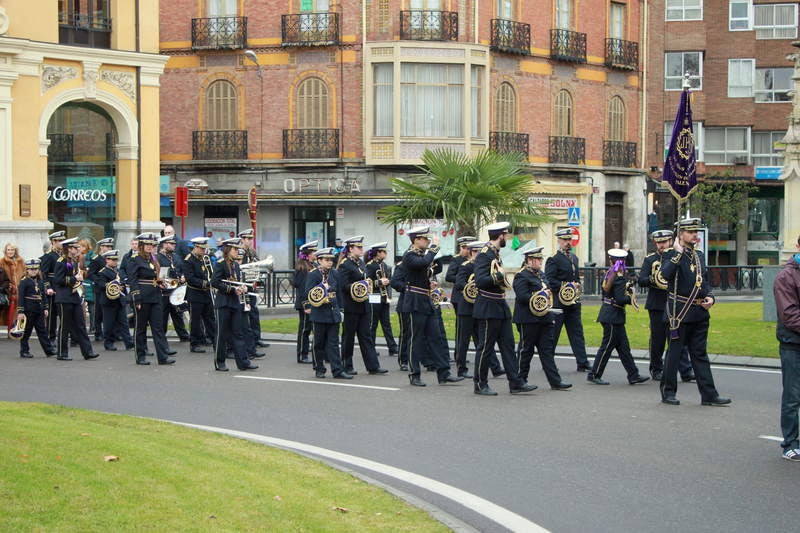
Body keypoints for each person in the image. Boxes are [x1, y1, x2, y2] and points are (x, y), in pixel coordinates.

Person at [658, 218, 730, 406]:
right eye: (690, 232)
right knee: (674, 354)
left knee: (700, 354)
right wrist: (678, 254)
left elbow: (703, 281)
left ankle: (709, 395)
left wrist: (711, 296)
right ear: (680, 235)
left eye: (695, 231)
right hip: (678, 313)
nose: (695, 235)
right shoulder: (670, 254)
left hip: (699, 312)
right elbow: (665, 275)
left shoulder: (699, 255)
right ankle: (668, 392)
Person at [472, 222, 534, 396]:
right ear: (500, 236)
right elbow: (480, 281)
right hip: (487, 306)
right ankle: (480, 384)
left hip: (499, 305)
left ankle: (515, 383)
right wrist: (498, 275)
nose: (507, 238)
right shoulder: (484, 254)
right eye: (505, 235)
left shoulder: (494, 253)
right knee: (485, 347)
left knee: (507, 346)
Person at [399, 226, 463, 387]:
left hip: (426, 300)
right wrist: (433, 248)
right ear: (416, 240)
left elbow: (436, 266)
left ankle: (444, 373)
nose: (427, 241)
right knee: (416, 339)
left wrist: (437, 252)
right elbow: (423, 263)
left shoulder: (423, 255)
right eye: (425, 238)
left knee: (437, 337)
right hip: (414, 300)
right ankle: (414, 374)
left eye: (428, 239)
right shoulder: (409, 256)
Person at [638, 230, 695, 382]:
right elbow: (641, 280)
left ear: (671, 241)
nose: (661, 245)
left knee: (678, 338)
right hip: (656, 304)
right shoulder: (650, 259)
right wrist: (654, 279)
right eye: (658, 242)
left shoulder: (677, 256)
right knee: (658, 339)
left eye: (664, 242)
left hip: (675, 304)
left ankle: (685, 370)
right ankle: (656, 369)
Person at [586, 248, 649, 386]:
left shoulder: (609, 273)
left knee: (624, 348)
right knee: (607, 347)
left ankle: (633, 375)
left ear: (611, 260)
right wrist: (631, 298)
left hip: (612, 315)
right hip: (612, 317)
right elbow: (620, 299)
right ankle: (594, 374)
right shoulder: (618, 277)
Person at [512, 247, 571, 390]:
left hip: (544, 318)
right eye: (537, 259)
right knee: (526, 351)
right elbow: (522, 296)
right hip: (528, 319)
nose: (540, 262)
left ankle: (555, 381)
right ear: (529, 260)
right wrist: (539, 296)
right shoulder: (521, 276)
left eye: (540, 259)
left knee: (547, 351)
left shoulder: (541, 275)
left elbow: (549, 291)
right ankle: (519, 381)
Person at [337, 235, 387, 375]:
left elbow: (368, 281)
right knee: (348, 337)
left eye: (361, 247)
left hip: (363, 305)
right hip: (350, 306)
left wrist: (369, 285)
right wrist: (358, 286)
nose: (361, 249)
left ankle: (373, 366)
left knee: (366, 336)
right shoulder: (345, 264)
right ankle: (347, 365)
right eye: (358, 247)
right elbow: (343, 285)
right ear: (350, 249)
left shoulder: (361, 263)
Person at [453, 241, 504, 379]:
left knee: (484, 340)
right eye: (475, 252)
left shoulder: (484, 266)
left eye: (479, 251)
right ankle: (461, 369)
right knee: (463, 340)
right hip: (467, 307)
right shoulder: (466, 266)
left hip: (480, 306)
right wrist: (471, 286)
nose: (477, 254)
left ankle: (495, 367)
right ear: (470, 252)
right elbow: (458, 283)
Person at [545, 228, 591, 371]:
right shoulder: (553, 259)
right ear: (558, 241)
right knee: (554, 333)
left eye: (569, 240)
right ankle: (548, 361)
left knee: (577, 332)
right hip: (558, 302)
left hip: (573, 303)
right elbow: (550, 281)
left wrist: (577, 286)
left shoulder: (574, 258)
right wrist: (568, 286)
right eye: (564, 240)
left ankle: (582, 362)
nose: (567, 243)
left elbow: (576, 278)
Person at [210, 237, 258, 372]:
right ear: (228, 250)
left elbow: (238, 281)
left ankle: (243, 362)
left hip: (235, 303)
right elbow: (215, 282)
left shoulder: (236, 265)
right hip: (224, 303)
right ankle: (220, 362)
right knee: (221, 334)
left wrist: (243, 288)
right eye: (235, 249)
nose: (237, 251)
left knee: (238, 333)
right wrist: (232, 289)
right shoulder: (220, 264)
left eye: (238, 249)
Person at [128, 232, 175, 366]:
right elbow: (132, 280)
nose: (150, 247)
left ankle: (163, 357)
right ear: (141, 245)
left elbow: (155, 276)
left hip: (155, 296)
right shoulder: (135, 258)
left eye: (152, 244)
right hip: (142, 297)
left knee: (158, 328)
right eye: (147, 244)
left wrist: (161, 282)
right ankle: (140, 356)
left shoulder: (153, 258)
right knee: (141, 328)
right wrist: (136, 298)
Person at [304, 247, 350, 379]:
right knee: (318, 343)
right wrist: (320, 289)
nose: (330, 262)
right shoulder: (313, 274)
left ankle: (337, 370)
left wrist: (341, 309)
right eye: (326, 260)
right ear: (319, 260)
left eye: (331, 260)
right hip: (319, 312)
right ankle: (319, 368)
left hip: (333, 312)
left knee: (334, 343)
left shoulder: (335, 273)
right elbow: (307, 293)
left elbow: (339, 293)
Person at [774, 234, 800, 461]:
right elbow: (790, 316)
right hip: (794, 344)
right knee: (793, 395)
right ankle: (790, 443)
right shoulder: (786, 276)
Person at [52, 238, 99, 361]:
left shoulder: (74, 261)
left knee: (81, 325)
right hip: (64, 297)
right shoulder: (61, 261)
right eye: (75, 248)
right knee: (64, 326)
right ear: (69, 249)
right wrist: (75, 278)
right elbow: (57, 280)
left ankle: (87, 352)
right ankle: (62, 353)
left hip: (74, 296)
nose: (78, 250)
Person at [94, 249, 134, 352]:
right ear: (107, 260)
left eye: (116, 260)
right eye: (113, 260)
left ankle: (129, 343)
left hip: (119, 300)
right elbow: (101, 285)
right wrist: (114, 284)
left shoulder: (117, 271)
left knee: (124, 323)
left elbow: (122, 284)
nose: (115, 262)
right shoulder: (102, 273)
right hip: (109, 302)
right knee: (109, 324)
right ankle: (108, 343)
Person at [15, 259, 57, 358]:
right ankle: (24, 351)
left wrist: (46, 307)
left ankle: (48, 350)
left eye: (35, 269)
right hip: (28, 310)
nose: (33, 271)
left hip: (39, 309)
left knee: (42, 331)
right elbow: (20, 297)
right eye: (31, 269)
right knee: (26, 331)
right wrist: (20, 311)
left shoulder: (40, 281)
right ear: (27, 270)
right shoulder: (24, 281)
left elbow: (43, 295)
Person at [238, 228, 268, 357]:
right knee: (246, 316)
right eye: (248, 239)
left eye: (251, 239)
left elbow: (258, 266)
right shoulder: (239, 252)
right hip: (243, 286)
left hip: (251, 285)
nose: (250, 241)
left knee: (254, 314)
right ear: (242, 239)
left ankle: (256, 338)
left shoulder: (252, 252)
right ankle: (248, 343)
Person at [446, 236, 476, 361]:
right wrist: (461, 278)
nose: (466, 250)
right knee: (461, 328)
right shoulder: (457, 260)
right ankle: (458, 354)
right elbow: (449, 276)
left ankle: (461, 355)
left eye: (468, 248)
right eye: (464, 248)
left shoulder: (473, 262)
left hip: (472, 297)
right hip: (459, 297)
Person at [365, 242, 398, 357]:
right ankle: (371, 347)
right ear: (377, 253)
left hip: (384, 297)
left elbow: (390, 279)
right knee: (373, 324)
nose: (385, 253)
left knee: (386, 324)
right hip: (374, 296)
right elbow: (366, 283)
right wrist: (378, 282)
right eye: (383, 251)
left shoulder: (384, 265)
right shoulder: (370, 265)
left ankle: (392, 347)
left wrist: (389, 281)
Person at [184, 237, 216, 352]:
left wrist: (212, 280)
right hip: (195, 294)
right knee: (195, 320)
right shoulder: (189, 260)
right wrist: (205, 283)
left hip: (206, 294)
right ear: (196, 247)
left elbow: (210, 272)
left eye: (204, 249)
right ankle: (194, 343)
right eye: (202, 249)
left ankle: (215, 341)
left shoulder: (204, 258)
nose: (204, 251)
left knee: (210, 319)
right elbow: (190, 278)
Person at [157, 235, 190, 342]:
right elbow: (162, 277)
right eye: (171, 244)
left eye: (174, 244)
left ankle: (183, 335)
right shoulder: (159, 257)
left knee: (178, 314)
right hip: (164, 292)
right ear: (164, 244)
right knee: (163, 315)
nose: (174, 246)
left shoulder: (175, 256)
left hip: (176, 291)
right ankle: (161, 337)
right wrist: (176, 281)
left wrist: (183, 276)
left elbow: (182, 268)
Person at [293, 241, 318, 364]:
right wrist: (306, 304)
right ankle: (302, 354)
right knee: (304, 329)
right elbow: (302, 288)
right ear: (308, 254)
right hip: (305, 303)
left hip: (312, 302)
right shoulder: (303, 268)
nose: (316, 254)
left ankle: (310, 352)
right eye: (314, 252)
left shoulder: (312, 266)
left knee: (311, 328)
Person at [87, 237, 114, 342]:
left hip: (110, 288)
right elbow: (90, 274)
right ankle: (98, 332)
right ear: (101, 247)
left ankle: (112, 332)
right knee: (98, 311)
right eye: (106, 246)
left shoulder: (111, 258)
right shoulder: (97, 259)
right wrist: (99, 281)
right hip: (100, 289)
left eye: (110, 246)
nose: (108, 248)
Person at [389, 256, 410, 371]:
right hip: (405, 303)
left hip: (420, 303)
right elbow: (394, 282)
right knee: (405, 333)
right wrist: (408, 288)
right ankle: (403, 360)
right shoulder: (402, 265)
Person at [1, 241, 26, 335]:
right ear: (5, 251)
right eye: (8, 250)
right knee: (9, 312)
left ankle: (19, 330)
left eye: (12, 250)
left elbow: (25, 274)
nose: (10, 251)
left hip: (21, 290)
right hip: (9, 291)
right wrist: (8, 286)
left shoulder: (21, 261)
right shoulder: (2, 262)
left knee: (21, 310)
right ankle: (10, 331)